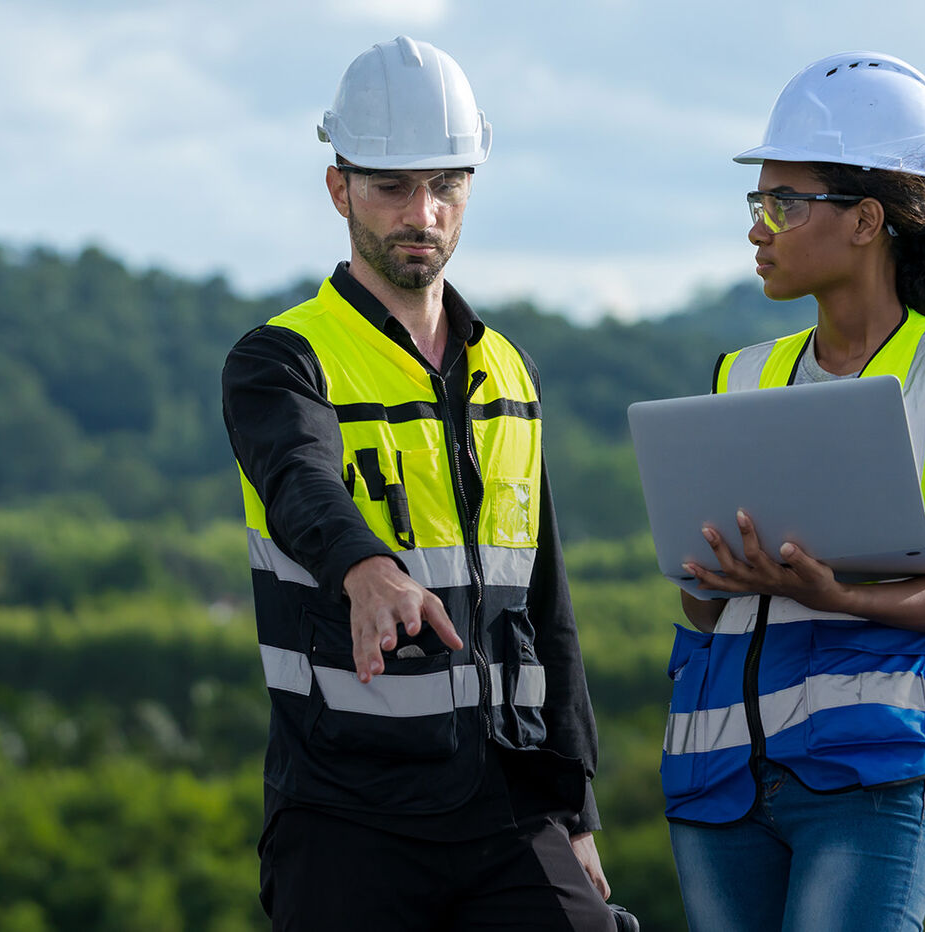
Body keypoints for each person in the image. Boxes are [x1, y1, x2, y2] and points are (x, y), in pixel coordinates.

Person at [222, 36, 618, 932]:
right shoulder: (283, 359)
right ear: (339, 190)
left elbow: (545, 604)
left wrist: (577, 811)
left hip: (508, 804)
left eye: (445, 185)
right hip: (343, 808)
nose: (422, 213)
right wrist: (368, 567)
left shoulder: (508, 370)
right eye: (392, 186)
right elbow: (298, 479)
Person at [661, 52, 925, 931]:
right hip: (715, 780)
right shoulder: (740, 375)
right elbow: (703, 612)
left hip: (867, 779)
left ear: (866, 219)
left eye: (783, 204)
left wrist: (835, 595)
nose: (760, 228)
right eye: (756, 204)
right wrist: (709, 576)